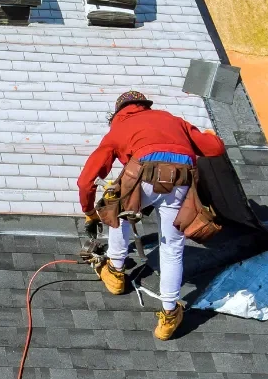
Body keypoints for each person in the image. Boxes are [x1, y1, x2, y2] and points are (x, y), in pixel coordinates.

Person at [77, 91, 227, 340]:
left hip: (142, 176)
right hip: (180, 180)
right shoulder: (172, 119)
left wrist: (90, 212)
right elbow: (215, 148)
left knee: (119, 210)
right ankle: (169, 314)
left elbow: (85, 182)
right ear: (144, 106)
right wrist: (209, 135)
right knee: (172, 248)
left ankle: (115, 272)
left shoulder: (119, 129)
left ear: (118, 113)